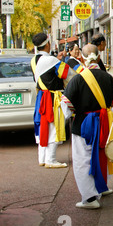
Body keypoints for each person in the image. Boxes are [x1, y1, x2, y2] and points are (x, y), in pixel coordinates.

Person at [61, 44, 113, 209]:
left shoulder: (78, 78)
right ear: (99, 57)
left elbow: (66, 104)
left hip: (83, 123)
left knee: (83, 159)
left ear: (82, 58)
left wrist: (76, 112)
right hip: (104, 122)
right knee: (102, 154)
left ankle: (89, 198)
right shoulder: (108, 77)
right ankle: (102, 187)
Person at [31, 32, 76, 169]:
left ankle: (42, 158)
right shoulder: (51, 61)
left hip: (41, 97)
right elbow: (65, 74)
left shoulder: (34, 60)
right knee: (53, 126)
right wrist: (61, 61)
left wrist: (56, 59)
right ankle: (51, 159)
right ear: (48, 44)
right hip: (52, 98)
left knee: (42, 126)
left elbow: (44, 72)